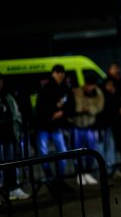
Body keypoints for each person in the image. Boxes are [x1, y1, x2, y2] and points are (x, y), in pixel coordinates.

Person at [35, 64, 75, 195]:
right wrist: (52, 113)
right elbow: (40, 107)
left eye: (62, 73)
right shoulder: (46, 88)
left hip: (57, 126)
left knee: (62, 152)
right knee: (44, 153)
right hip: (43, 126)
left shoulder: (65, 88)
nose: (60, 75)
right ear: (53, 74)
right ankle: (51, 180)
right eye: (58, 73)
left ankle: (59, 179)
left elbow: (71, 105)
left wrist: (62, 112)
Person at [0, 73, 30, 200]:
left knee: (11, 163)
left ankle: (13, 189)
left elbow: (16, 114)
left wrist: (17, 129)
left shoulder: (7, 96)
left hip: (9, 136)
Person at [70, 74, 104, 185]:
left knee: (91, 150)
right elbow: (78, 107)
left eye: (92, 85)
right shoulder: (78, 91)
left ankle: (88, 173)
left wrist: (88, 107)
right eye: (88, 85)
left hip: (89, 125)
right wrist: (90, 106)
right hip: (77, 125)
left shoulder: (98, 92)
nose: (90, 88)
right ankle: (79, 174)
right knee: (77, 151)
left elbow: (99, 106)